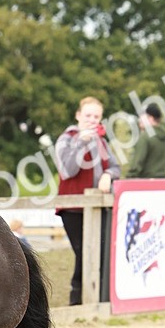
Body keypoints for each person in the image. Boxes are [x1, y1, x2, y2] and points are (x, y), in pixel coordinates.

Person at [54, 96, 121, 305]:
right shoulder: (67, 139)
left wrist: (108, 174)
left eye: (97, 116)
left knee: (99, 253)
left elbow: (116, 166)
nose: (92, 120)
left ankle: (96, 301)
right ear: (78, 116)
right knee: (84, 254)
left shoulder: (101, 141)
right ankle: (77, 301)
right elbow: (67, 170)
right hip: (73, 207)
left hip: (96, 206)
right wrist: (81, 143)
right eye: (88, 115)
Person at [127, 102, 165, 179]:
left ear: (150, 118)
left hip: (145, 182)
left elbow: (137, 163)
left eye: (141, 117)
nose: (139, 120)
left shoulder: (145, 137)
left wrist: (129, 177)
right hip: (162, 180)